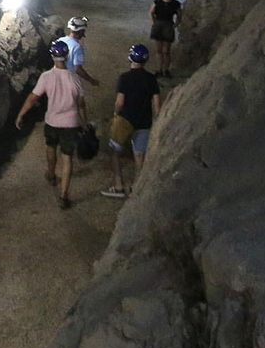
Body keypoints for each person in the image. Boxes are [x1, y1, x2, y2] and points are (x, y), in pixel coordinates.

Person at [15, 40, 89, 209]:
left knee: (51, 147)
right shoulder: (75, 78)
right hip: (71, 123)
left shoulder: (46, 77)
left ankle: (51, 174)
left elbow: (33, 98)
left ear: (52, 56)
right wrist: (84, 123)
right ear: (67, 56)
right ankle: (63, 195)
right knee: (67, 157)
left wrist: (21, 114)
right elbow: (81, 104)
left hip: (52, 121)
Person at [103, 44, 161, 198]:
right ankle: (138, 189)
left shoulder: (124, 78)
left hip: (125, 121)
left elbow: (120, 101)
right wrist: (156, 120)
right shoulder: (151, 78)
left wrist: (115, 114)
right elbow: (156, 104)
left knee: (114, 152)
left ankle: (119, 186)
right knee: (139, 156)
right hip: (144, 122)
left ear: (130, 58)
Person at [149, 0, 182, 78]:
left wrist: (175, 25)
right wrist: (154, 23)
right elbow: (151, 12)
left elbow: (179, 15)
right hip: (159, 25)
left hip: (167, 25)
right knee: (159, 50)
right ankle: (159, 70)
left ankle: (165, 70)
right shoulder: (157, 1)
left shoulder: (175, 4)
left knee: (166, 50)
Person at [57, 16, 100, 87]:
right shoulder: (77, 46)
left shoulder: (60, 40)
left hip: (56, 77)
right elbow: (78, 69)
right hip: (68, 80)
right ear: (81, 31)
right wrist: (91, 80)